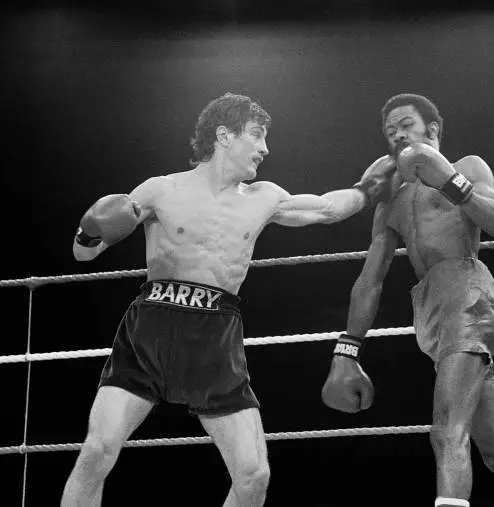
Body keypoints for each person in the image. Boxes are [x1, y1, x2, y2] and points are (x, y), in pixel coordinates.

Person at [61, 92, 395, 507]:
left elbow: (327, 209)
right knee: (96, 452)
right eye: (256, 135)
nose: (264, 148)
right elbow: (84, 253)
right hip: (151, 326)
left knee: (254, 475)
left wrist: (368, 189)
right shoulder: (162, 190)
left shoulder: (264, 198)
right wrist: (89, 231)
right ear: (224, 135)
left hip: (216, 333)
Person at [321, 93, 494, 507]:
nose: (398, 134)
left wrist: (451, 182)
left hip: (467, 295)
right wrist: (347, 350)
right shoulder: (390, 201)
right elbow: (370, 281)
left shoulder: (466, 168)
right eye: (390, 130)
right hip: (430, 310)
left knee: (446, 431)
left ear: (433, 130)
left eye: (406, 124)